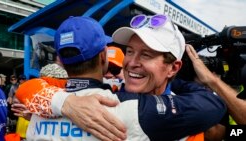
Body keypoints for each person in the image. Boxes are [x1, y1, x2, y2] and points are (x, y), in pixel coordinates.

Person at [16, 15, 226, 141]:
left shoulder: (196, 118)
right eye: (130, 51)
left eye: (146, 54)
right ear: (102, 57)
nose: (132, 62)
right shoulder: (114, 97)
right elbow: (29, 87)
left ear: (174, 67)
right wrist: (66, 103)